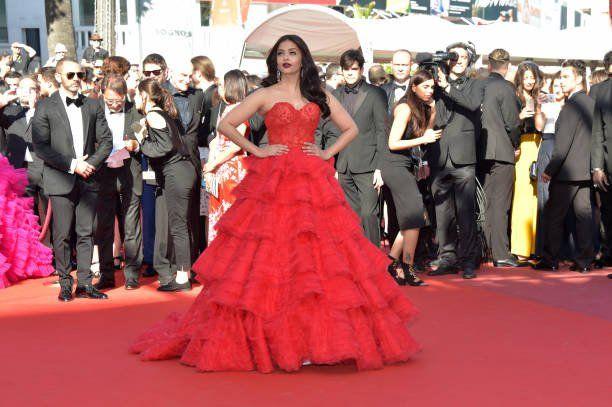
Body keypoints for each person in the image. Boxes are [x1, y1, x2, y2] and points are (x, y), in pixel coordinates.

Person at [129, 35, 420, 373]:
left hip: (313, 180)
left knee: (316, 259)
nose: (286, 58)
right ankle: (273, 338)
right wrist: (258, 150)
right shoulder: (265, 94)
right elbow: (226, 124)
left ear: (303, 58)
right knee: (270, 256)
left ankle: (314, 339)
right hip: (274, 180)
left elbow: (351, 128)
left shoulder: (318, 95)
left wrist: (327, 152)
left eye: (292, 53)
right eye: (280, 53)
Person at [32, 58, 113, 301]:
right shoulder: (45, 107)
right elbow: (41, 147)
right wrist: (72, 165)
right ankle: (66, 283)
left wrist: (90, 164)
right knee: (63, 234)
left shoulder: (93, 105)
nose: (77, 78)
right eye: (71, 75)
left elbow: (106, 141)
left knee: (87, 232)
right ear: (58, 77)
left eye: (81, 74)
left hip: (88, 177)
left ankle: (86, 284)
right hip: (60, 178)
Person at [126, 78, 196, 292]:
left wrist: (140, 144)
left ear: (145, 96)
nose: (135, 99)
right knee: (177, 225)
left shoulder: (154, 115)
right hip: (177, 172)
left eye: (137, 95)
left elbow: (163, 146)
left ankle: (183, 277)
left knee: (178, 226)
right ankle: (180, 272)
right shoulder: (160, 113)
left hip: (176, 173)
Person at [318, 49, 387, 247]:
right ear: (341, 71)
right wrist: (332, 163)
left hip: (368, 164)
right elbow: (329, 129)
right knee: (350, 216)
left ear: (361, 69)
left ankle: (375, 260)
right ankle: (358, 260)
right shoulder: (335, 95)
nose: (350, 73)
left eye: (354, 69)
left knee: (369, 214)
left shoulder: (375, 94)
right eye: (346, 69)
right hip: (343, 164)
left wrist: (380, 168)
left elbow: (382, 130)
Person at [427, 42, 484, 279]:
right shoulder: (436, 85)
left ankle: (469, 260)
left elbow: (471, 104)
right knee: (442, 214)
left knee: (466, 212)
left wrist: (447, 86)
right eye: (454, 56)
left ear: (469, 60)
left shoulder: (476, 85)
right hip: (439, 155)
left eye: (463, 56)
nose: (458, 60)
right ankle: (447, 258)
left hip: (464, 157)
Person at [535, 60, 595, 272]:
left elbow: (563, 144)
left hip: (567, 172)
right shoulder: (590, 103)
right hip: (585, 170)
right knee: (584, 216)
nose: (561, 80)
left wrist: (549, 171)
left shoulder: (572, 106)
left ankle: (550, 259)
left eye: (566, 76)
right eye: (561, 76)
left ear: (579, 78)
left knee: (554, 216)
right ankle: (584, 261)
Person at [382, 69, 439, 287]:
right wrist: (423, 138)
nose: (430, 91)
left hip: (404, 166)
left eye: (432, 87)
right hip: (394, 166)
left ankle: (391, 263)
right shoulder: (405, 108)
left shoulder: (418, 108)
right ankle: (406, 266)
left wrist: (432, 112)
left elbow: (425, 136)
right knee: (416, 217)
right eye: (425, 86)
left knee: (412, 219)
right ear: (413, 87)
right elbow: (393, 143)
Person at [93, 74, 144, 291]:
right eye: (110, 101)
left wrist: (135, 144)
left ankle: (132, 274)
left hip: (128, 173)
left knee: (131, 226)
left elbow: (144, 140)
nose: (114, 105)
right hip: (103, 174)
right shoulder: (94, 112)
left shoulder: (135, 112)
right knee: (103, 226)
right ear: (102, 94)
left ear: (126, 96)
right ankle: (106, 274)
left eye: (119, 101)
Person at [480, 49, 522, 267]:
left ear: (489, 65)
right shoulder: (505, 88)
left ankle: (488, 249)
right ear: (506, 67)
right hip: (501, 152)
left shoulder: (479, 85)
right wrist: (516, 143)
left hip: (481, 151)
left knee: (486, 203)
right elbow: (512, 123)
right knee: (500, 205)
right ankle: (501, 253)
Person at [204, 70, 250, 243]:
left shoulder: (239, 110)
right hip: (221, 169)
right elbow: (217, 141)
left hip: (232, 169)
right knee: (219, 213)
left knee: (230, 214)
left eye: (222, 85)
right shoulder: (228, 109)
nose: (219, 89)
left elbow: (235, 145)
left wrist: (212, 163)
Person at [510, 61, 545, 261]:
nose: (530, 81)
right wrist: (520, 117)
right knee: (522, 198)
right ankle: (521, 247)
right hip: (522, 149)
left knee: (536, 199)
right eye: (526, 77)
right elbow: (508, 125)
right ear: (520, 79)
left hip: (539, 147)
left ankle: (535, 247)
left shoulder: (540, 97)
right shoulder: (515, 98)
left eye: (533, 77)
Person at [535, 72, 564, 257]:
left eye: (562, 85)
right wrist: (539, 107)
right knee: (545, 197)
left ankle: (566, 249)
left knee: (565, 197)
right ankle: (544, 249)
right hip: (548, 142)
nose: (559, 89)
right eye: (556, 86)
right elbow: (538, 126)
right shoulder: (546, 103)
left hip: (566, 146)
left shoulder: (573, 104)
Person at [590, 50, 612, 277]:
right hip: (607, 162)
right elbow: (597, 132)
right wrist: (596, 167)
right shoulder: (601, 91)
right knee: (607, 212)